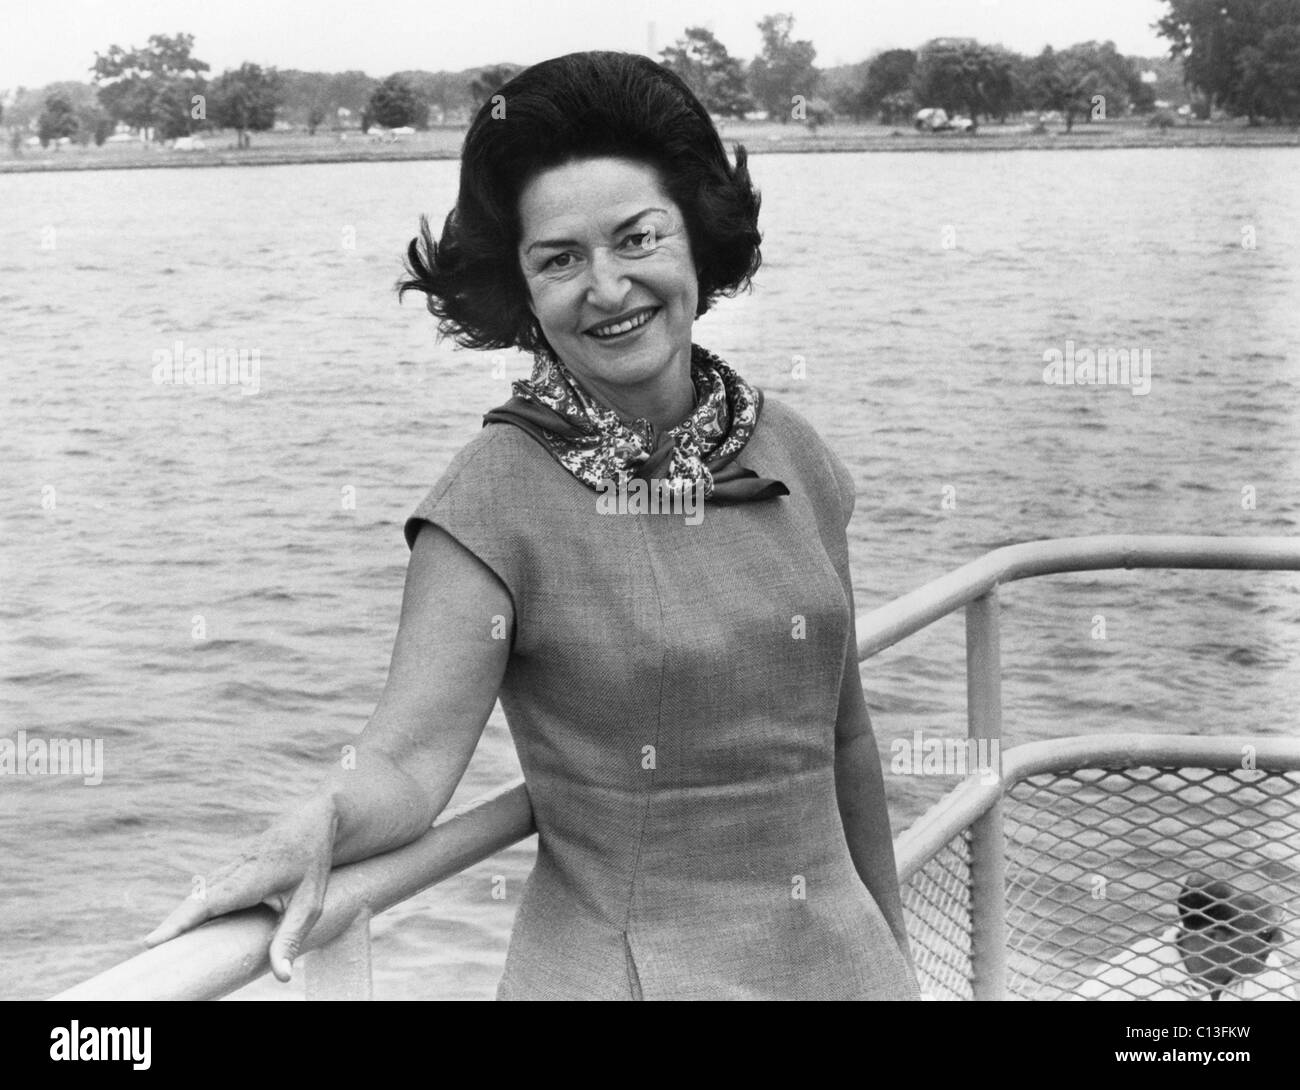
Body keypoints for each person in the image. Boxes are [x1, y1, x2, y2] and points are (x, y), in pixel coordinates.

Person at [147, 50, 921, 1001]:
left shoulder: (793, 451)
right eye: (560, 260)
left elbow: (845, 742)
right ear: (521, 290)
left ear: (696, 241)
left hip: (841, 965)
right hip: (625, 977)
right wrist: (320, 824)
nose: (607, 288)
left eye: (637, 239)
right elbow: (410, 757)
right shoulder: (492, 497)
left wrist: (893, 956)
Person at [1075, 873, 1295, 1000]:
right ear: (1213, 935)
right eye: (1266, 934)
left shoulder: (1269, 970)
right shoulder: (1119, 984)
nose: (1279, 943)